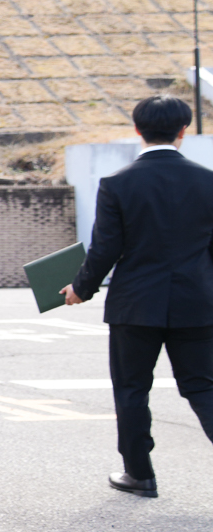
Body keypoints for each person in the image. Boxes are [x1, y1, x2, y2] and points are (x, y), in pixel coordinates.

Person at [62, 95, 213, 495]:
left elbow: (106, 248)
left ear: (136, 129)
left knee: (132, 389)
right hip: (197, 304)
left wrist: (81, 288)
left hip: (135, 305)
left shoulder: (117, 184)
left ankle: (140, 474)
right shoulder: (209, 182)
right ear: (184, 131)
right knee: (203, 386)